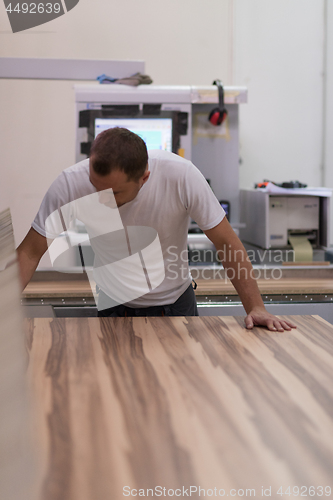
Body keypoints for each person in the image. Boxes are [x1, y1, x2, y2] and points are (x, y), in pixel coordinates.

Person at [17, 127, 296, 331]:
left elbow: (225, 242)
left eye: (114, 193)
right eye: (95, 188)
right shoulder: (70, 183)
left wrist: (256, 307)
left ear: (144, 177)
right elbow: (29, 252)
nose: (102, 199)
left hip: (175, 305)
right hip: (114, 308)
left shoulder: (181, 176)